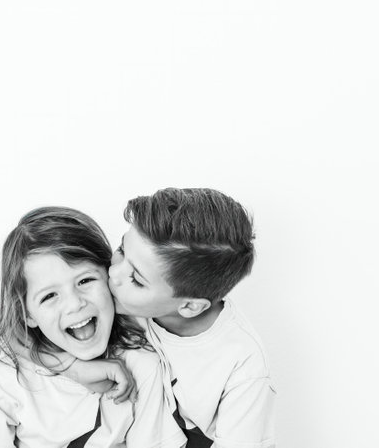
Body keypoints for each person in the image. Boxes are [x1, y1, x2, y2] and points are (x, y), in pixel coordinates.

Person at [0, 206, 186, 448]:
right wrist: (73, 367)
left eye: (85, 280)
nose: (74, 304)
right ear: (28, 315)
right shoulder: (8, 379)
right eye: (49, 296)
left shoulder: (142, 365)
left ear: (109, 277)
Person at [107, 187, 276, 448]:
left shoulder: (242, 362)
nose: (114, 273)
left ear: (190, 307)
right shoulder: (115, 299)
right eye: (121, 249)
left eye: (137, 280)